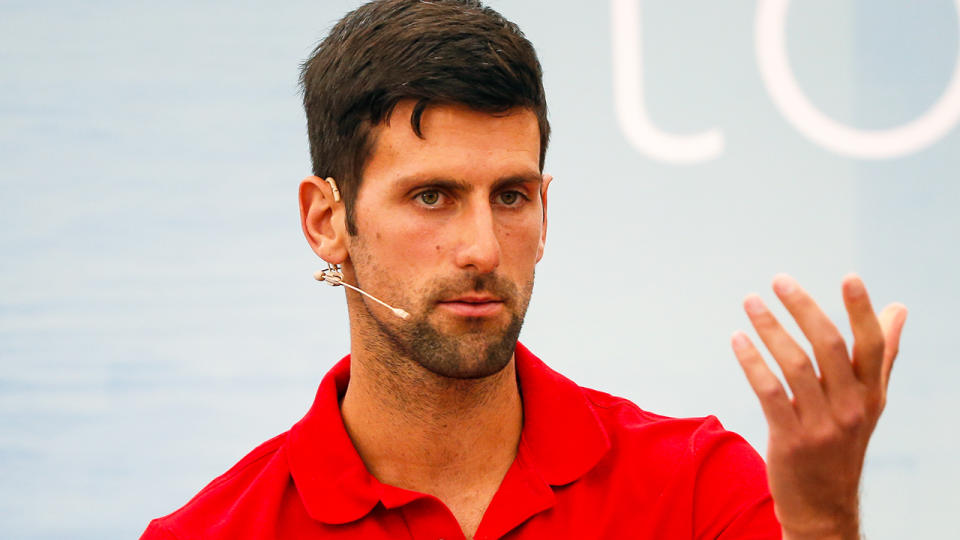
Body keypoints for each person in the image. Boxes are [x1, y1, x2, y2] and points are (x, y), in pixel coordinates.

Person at [140, 1, 908, 538]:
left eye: (510, 196)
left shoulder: (697, 486)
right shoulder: (210, 533)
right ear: (326, 221)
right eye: (431, 196)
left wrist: (819, 522)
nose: (481, 247)